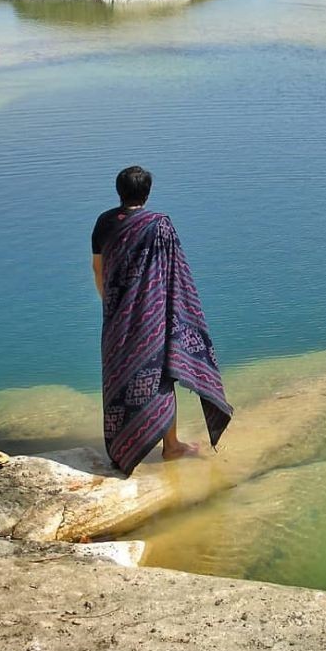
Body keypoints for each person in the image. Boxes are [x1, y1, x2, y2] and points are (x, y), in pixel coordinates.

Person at [91, 165, 232, 474]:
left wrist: (111, 304)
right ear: (148, 193)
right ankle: (171, 446)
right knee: (160, 374)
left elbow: (98, 268)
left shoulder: (104, 222)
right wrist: (177, 311)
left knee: (119, 377)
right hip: (153, 314)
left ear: (119, 191)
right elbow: (175, 273)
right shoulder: (160, 225)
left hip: (116, 316)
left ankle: (122, 449)